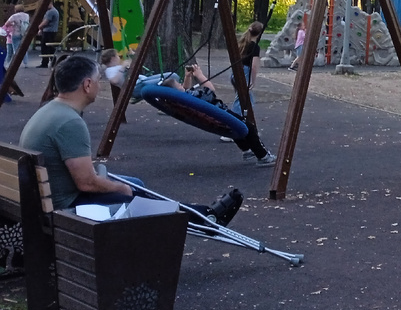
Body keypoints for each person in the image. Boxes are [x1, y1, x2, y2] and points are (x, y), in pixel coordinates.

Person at [19, 55, 243, 223]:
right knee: (134, 197)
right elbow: (86, 183)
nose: (99, 85)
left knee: (136, 186)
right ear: (87, 85)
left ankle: (200, 214)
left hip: (49, 197)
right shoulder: (69, 122)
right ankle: (204, 217)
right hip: (67, 205)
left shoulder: (51, 111)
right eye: (97, 80)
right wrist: (120, 188)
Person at [182, 64, 276, 165]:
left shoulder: (181, 99)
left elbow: (184, 90)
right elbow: (211, 90)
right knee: (248, 127)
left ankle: (246, 150)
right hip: (220, 114)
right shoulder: (193, 97)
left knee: (235, 128)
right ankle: (263, 156)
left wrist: (187, 77)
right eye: (178, 84)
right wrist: (199, 75)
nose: (181, 85)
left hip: (214, 118)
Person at [232, 21, 264, 116]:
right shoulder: (255, 47)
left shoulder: (242, 43)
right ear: (259, 34)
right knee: (243, 99)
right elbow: (254, 66)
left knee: (246, 98)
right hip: (245, 72)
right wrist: (253, 81)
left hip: (236, 71)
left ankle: (243, 117)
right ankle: (235, 117)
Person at [37, 2, 60, 68]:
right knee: (50, 47)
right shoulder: (54, 11)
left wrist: (39, 27)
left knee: (45, 48)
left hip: (48, 31)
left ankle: (45, 63)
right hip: (52, 31)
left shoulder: (51, 12)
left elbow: (45, 22)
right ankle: (53, 62)